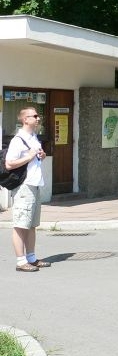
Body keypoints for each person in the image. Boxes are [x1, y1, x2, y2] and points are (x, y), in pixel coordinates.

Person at [6, 107, 49, 272]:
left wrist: (40, 156)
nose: (38, 119)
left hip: (35, 184)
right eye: (35, 116)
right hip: (24, 186)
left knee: (31, 225)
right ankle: (20, 261)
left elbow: (33, 159)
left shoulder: (33, 137)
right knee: (20, 224)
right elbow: (9, 163)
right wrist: (29, 156)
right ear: (25, 119)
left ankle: (31, 258)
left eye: (38, 116)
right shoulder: (18, 139)